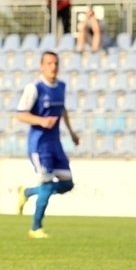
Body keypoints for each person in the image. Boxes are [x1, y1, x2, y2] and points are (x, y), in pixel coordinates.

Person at [14, 51, 80, 239]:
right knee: (47, 184)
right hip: (39, 145)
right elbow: (20, 114)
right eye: (49, 63)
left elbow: (62, 110)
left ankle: (27, 192)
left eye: (56, 63)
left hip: (55, 143)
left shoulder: (61, 86)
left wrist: (72, 132)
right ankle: (35, 228)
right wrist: (41, 121)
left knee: (67, 183)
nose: (54, 67)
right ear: (41, 66)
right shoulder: (34, 88)